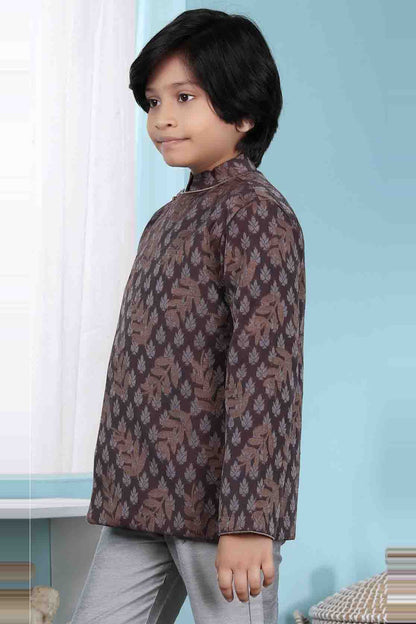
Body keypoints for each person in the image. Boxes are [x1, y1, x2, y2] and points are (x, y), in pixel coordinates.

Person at [72, 8, 306, 624]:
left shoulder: (258, 214)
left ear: (243, 111)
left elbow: (267, 371)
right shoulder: (169, 218)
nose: (162, 118)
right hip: (141, 496)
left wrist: (250, 521)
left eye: (184, 97)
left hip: (219, 507)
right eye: (153, 102)